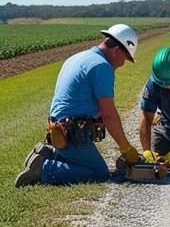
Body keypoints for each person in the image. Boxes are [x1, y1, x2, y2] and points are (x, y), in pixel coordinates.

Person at [15, 24, 141, 187]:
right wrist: (126, 148)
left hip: (59, 129)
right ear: (116, 49)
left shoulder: (78, 57)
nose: (122, 64)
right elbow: (109, 115)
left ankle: (49, 154)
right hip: (73, 131)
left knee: (84, 164)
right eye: (126, 58)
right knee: (98, 172)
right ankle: (44, 168)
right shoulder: (102, 66)